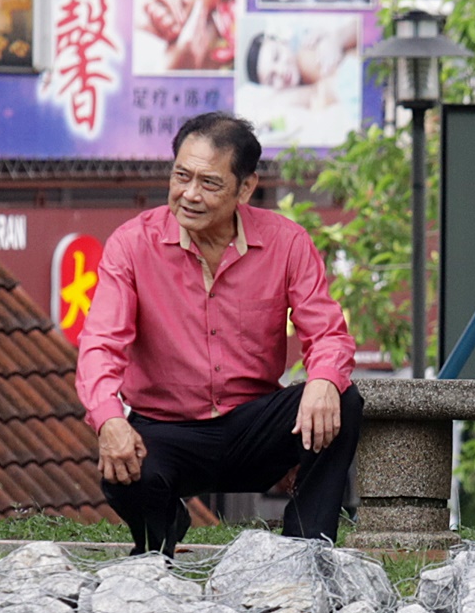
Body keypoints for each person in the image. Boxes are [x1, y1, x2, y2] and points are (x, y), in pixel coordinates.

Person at [77, 111, 361, 551]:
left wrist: (322, 380)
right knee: (123, 472)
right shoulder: (133, 244)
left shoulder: (287, 242)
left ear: (244, 188)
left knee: (343, 396)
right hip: (167, 428)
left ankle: (306, 549)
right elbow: (100, 343)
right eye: (181, 176)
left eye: (209, 183)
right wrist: (109, 419)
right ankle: (163, 529)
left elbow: (328, 335)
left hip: (252, 425)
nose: (189, 194)